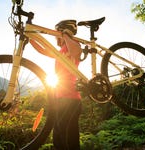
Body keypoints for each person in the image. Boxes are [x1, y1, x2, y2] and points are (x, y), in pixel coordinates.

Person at [53, 20, 82, 150]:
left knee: (60, 136)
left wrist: (65, 35)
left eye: (58, 33)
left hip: (70, 97)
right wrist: (30, 39)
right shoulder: (61, 50)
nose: (56, 36)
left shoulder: (72, 45)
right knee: (70, 135)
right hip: (62, 97)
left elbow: (76, 51)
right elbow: (43, 51)